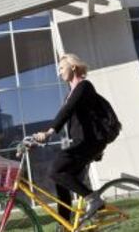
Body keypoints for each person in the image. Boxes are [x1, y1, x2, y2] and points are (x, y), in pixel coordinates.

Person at [33, 53, 106, 226]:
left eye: (61, 68)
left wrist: (50, 132)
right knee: (61, 180)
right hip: (81, 143)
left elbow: (66, 112)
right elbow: (67, 114)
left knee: (55, 170)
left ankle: (94, 199)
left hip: (90, 142)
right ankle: (65, 225)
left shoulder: (84, 86)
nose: (59, 73)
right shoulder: (70, 93)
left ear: (73, 67)